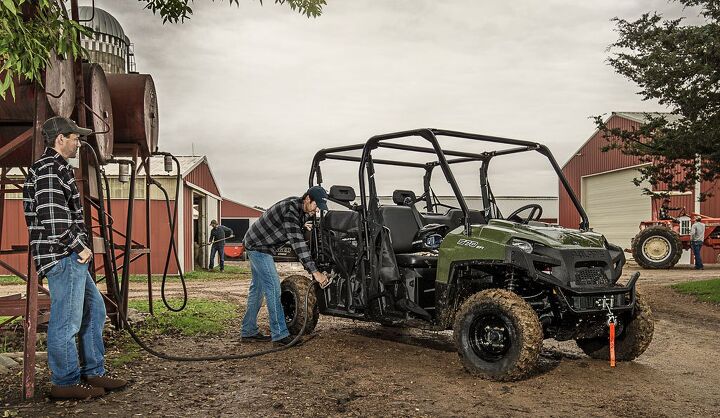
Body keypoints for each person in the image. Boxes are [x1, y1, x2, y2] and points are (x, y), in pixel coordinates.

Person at [23, 117, 126, 400]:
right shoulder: (47, 170)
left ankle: (94, 371)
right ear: (59, 139)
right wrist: (78, 247)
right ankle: (65, 381)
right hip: (63, 255)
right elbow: (53, 219)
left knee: (95, 311)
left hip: (71, 255)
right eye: (74, 137)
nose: (79, 142)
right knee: (66, 321)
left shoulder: (58, 169)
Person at [241, 186, 330, 345]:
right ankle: (280, 335)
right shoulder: (291, 210)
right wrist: (315, 272)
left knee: (258, 288)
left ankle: (248, 331)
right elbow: (299, 245)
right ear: (308, 199)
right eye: (316, 206)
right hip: (259, 247)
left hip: (255, 242)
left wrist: (303, 226)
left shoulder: (300, 208)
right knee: (274, 287)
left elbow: (289, 226)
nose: (316, 211)